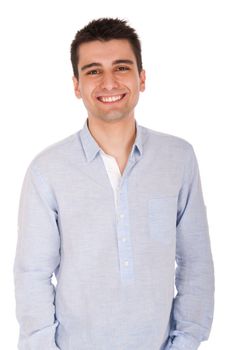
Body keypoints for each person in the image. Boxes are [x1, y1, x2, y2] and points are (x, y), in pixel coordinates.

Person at [13, 17, 215, 350]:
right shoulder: (46, 170)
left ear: (142, 78)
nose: (109, 82)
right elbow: (32, 276)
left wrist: (185, 342)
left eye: (121, 68)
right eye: (93, 71)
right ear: (76, 85)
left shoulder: (178, 159)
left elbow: (196, 263)